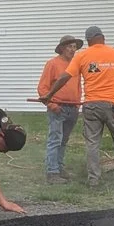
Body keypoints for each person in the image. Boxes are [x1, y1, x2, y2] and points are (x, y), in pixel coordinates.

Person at [41, 26, 114, 187]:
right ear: (103, 38)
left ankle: (94, 179)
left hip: (91, 106)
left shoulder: (82, 56)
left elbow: (64, 77)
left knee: (92, 143)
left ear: (88, 41)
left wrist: (49, 95)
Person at [37, 34, 83, 184]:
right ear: (62, 48)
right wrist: (52, 105)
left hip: (72, 108)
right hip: (58, 108)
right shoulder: (52, 64)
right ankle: (52, 172)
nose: (72, 49)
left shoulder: (75, 66)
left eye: (74, 47)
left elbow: (77, 86)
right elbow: (43, 88)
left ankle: (59, 167)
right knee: (55, 139)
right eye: (69, 46)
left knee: (64, 140)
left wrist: (77, 103)